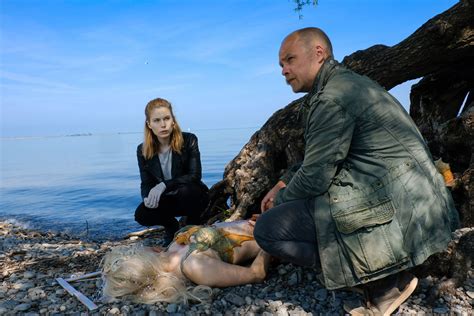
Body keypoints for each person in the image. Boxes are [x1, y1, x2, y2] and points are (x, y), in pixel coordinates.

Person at [254, 27, 459, 316]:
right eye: (281, 65)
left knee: (268, 230)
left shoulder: (331, 99)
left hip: (397, 204)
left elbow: (315, 176)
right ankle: (380, 271)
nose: (284, 70)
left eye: (290, 60)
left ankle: (383, 282)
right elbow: (320, 155)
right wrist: (282, 182)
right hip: (414, 196)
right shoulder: (344, 85)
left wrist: (279, 202)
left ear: (318, 53)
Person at [101, 219, 270, 304]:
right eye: (136, 250)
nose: (142, 245)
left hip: (262, 217)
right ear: (145, 262)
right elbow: (256, 274)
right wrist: (270, 239)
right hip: (275, 231)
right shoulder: (195, 268)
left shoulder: (169, 251)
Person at [135, 98, 209, 245]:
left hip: (193, 196)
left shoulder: (189, 140)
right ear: (149, 125)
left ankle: (192, 226)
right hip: (169, 199)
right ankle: (171, 226)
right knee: (141, 214)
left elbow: (194, 176)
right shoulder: (142, 150)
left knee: (188, 191)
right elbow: (146, 183)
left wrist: (163, 185)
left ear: (173, 121)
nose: (163, 124)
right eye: (156, 120)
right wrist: (147, 197)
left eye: (167, 118)